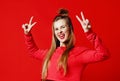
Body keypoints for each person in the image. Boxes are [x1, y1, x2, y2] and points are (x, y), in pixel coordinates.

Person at [22, 9, 110, 81]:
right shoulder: (50, 54)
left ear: (70, 28)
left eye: (63, 27)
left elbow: (103, 54)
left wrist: (89, 33)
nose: (59, 31)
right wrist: (27, 34)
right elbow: (33, 52)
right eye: (56, 29)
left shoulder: (79, 54)